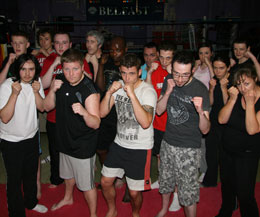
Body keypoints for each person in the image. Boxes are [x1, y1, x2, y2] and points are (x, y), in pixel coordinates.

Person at [44, 48, 100, 216]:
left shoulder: (89, 90)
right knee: (67, 175)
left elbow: (96, 123)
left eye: (75, 68)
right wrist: (53, 90)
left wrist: (84, 112)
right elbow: (46, 107)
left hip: (83, 145)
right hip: (64, 140)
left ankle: (93, 214)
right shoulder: (59, 80)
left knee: (86, 185)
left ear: (82, 67)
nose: (71, 74)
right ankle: (68, 197)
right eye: (67, 69)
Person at [100, 53, 157, 217]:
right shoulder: (118, 86)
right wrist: (109, 93)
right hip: (119, 144)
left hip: (140, 148)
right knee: (105, 181)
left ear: (139, 72)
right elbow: (102, 113)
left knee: (133, 193)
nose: (127, 77)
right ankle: (112, 209)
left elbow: (146, 122)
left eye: (131, 73)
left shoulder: (148, 91)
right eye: (124, 73)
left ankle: (136, 213)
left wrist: (131, 94)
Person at [155, 51, 210, 217]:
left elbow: (205, 129)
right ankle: (164, 208)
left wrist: (200, 112)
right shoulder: (168, 80)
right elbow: (159, 110)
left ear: (193, 71)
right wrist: (168, 91)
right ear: (172, 69)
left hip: (189, 148)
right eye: (176, 74)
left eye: (185, 75)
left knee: (188, 192)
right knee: (165, 181)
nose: (179, 79)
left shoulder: (200, 89)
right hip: (168, 142)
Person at [40, 31, 92, 189]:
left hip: (76, 115)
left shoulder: (79, 59)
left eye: (64, 42)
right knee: (55, 150)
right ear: (54, 45)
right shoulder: (50, 60)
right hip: (55, 116)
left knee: (75, 150)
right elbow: (43, 85)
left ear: (70, 44)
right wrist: (55, 64)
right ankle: (56, 179)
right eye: (57, 43)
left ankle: (79, 179)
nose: (61, 46)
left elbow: (90, 81)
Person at [0, 53, 48, 217]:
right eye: (23, 69)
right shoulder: (7, 85)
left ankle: (31, 202)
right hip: (11, 141)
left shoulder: (37, 82)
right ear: (17, 70)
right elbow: (5, 118)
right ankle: (16, 212)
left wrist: (36, 92)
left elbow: (42, 108)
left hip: (32, 137)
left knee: (30, 174)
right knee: (14, 179)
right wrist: (14, 94)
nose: (27, 74)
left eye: (31, 69)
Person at [217, 66, 260, 217]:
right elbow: (221, 119)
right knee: (227, 187)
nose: (242, 88)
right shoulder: (237, 95)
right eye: (239, 84)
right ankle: (226, 210)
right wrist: (233, 99)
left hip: (246, 154)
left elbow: (252, 129)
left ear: (255, 79)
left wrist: (250, 104)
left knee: (245, 194)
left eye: (246, 83)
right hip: (227, 149)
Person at [95, 35, 127, 177]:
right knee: (101, 149)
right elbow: (100, 87)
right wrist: (101, 65)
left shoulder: (129, 66)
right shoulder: (106, 62)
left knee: (124, 150)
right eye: (112, 50)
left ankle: (128, 182)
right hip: (106, 111)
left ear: (125, 50)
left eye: (118, 50)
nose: (115, 53)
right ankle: (108, 176)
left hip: (122, 114)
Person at [202, 54, 231, 187]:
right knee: (211, 153)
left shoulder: (232, 82)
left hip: (227, 123)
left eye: (221, 68)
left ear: (228, 68)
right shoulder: (213, 80)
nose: (218, 71)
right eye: (215, 68)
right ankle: (210, 181)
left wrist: (224, 88)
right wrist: (212, 88)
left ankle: (228, 184)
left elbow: (227, 105)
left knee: (225, 156)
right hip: (214, 121)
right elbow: (211, 103)